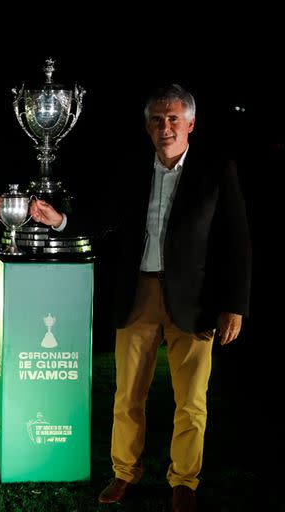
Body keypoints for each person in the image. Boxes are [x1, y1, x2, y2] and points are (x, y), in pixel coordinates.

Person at [32, 84, 251, 512]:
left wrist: (235, 305)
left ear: (190, 123)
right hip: (138, 293)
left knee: (191, 401)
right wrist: (59, 220)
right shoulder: (133, 168)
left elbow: (237, 241)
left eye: (173, 119)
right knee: (127, 394)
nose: (165, 127)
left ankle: (184, 480)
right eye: (156, 120)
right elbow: (101, 218)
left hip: (196, 300)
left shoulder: (216, 169)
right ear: (147, 127)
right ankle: (124, 474)